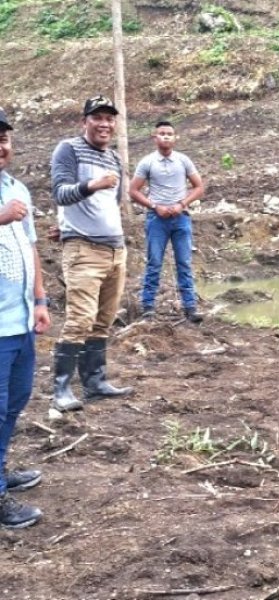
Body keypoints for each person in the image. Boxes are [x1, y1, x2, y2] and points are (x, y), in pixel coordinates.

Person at [50, 95, 132, 412]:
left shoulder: (114, 160)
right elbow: (60, 193)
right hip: (83, 249)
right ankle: (60, 390)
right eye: (97, 117)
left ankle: (95, 382)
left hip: (115, 250)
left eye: (110, 118)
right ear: (84, 121)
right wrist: (92, 184)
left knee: (103, 321)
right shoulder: (68, 149)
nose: (104, 124)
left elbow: (109, 206)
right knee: (79, 320)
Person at [0, 108, 51, 528]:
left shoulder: (17, 189)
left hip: (20, 321)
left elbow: (31, 247)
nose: (0, 147)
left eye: (4, 139)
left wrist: (41, 300)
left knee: (14, 403)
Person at [129, 120, 205, 323]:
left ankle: (190, 307)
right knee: (154, 262)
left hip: (181, 218)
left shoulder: (183, 161)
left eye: (169, 133)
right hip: (157, 219)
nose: (166, 136)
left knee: (184, 263)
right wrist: (155, 206)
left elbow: (199, 187)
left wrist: (182, 204)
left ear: (175, 137)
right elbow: (133, 190)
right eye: (161, 133)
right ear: (155, 137)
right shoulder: (147, 162)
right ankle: (148, 307)